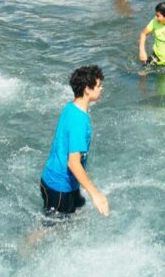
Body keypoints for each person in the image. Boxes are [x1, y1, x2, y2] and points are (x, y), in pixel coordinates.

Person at [40, 65, 109, 217]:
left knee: (77, 214)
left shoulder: (71, 107)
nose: (101, 89)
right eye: (98, 86)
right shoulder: (78, 121)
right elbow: (73, 163)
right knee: (49, 229)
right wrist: (95, 194)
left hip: (59, 181)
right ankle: (25, 242)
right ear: (87, 89)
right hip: (59, 187)